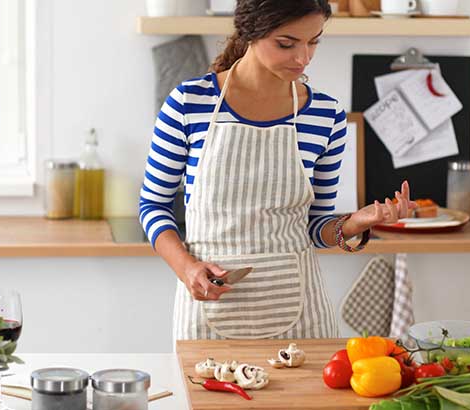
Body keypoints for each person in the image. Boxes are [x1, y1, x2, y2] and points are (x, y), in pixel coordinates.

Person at [139, 0, 416, 340]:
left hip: (301, 315)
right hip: (210, 310)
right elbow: (153, 206)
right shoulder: (189, 104)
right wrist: (186, 268)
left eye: (313, 41)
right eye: (286, 44)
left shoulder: (325, 116)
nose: (303, 58)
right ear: (251, 32)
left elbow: (316, 228)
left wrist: (359, 222)